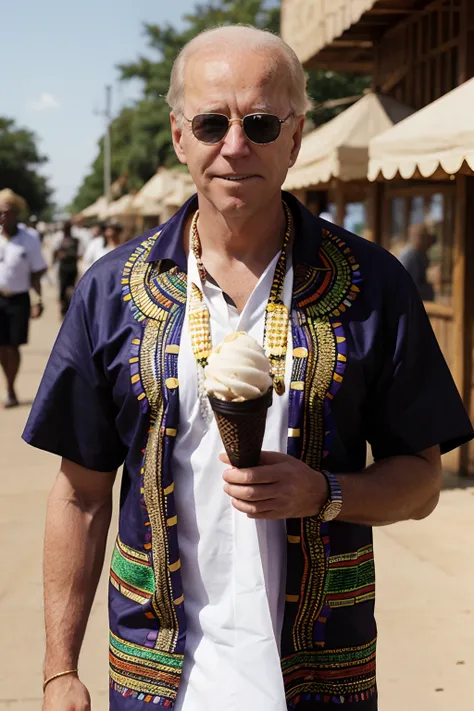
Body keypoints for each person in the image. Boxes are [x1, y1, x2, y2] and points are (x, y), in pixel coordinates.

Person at [23, 25, 473, 711]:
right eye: (211, 123)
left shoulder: (372, 284)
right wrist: (59, 669)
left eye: (260, 123)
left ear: (294, 137)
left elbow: (420, 482)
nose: (235, 145)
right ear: (180, 137)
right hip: (158, 676)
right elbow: (81, 493)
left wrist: (324, 492)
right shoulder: (112, 290)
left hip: (321, 677)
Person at [0, 189, 47, 407]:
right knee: (2, 347)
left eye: (8, 212)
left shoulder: (30, 239)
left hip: (19, 299)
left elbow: (36, 273)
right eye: (1, 212)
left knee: (13, 346)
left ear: (16, 214)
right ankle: (8, 383)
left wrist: (38, 299)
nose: (4, 216)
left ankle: (10, 387)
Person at [398, 222, 436, 301]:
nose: (428, 242)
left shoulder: (419, 254)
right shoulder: (410, 256)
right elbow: (408, 288)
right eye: (424, 237)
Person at [53, 220, 80, 317]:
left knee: (71, 288)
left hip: (72, 267)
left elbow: (78, 254)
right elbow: (55, 253)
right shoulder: (59, 240)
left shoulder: (75, 240)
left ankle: (69, 308)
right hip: (63, 267)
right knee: (62, 288)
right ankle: (63, 308)